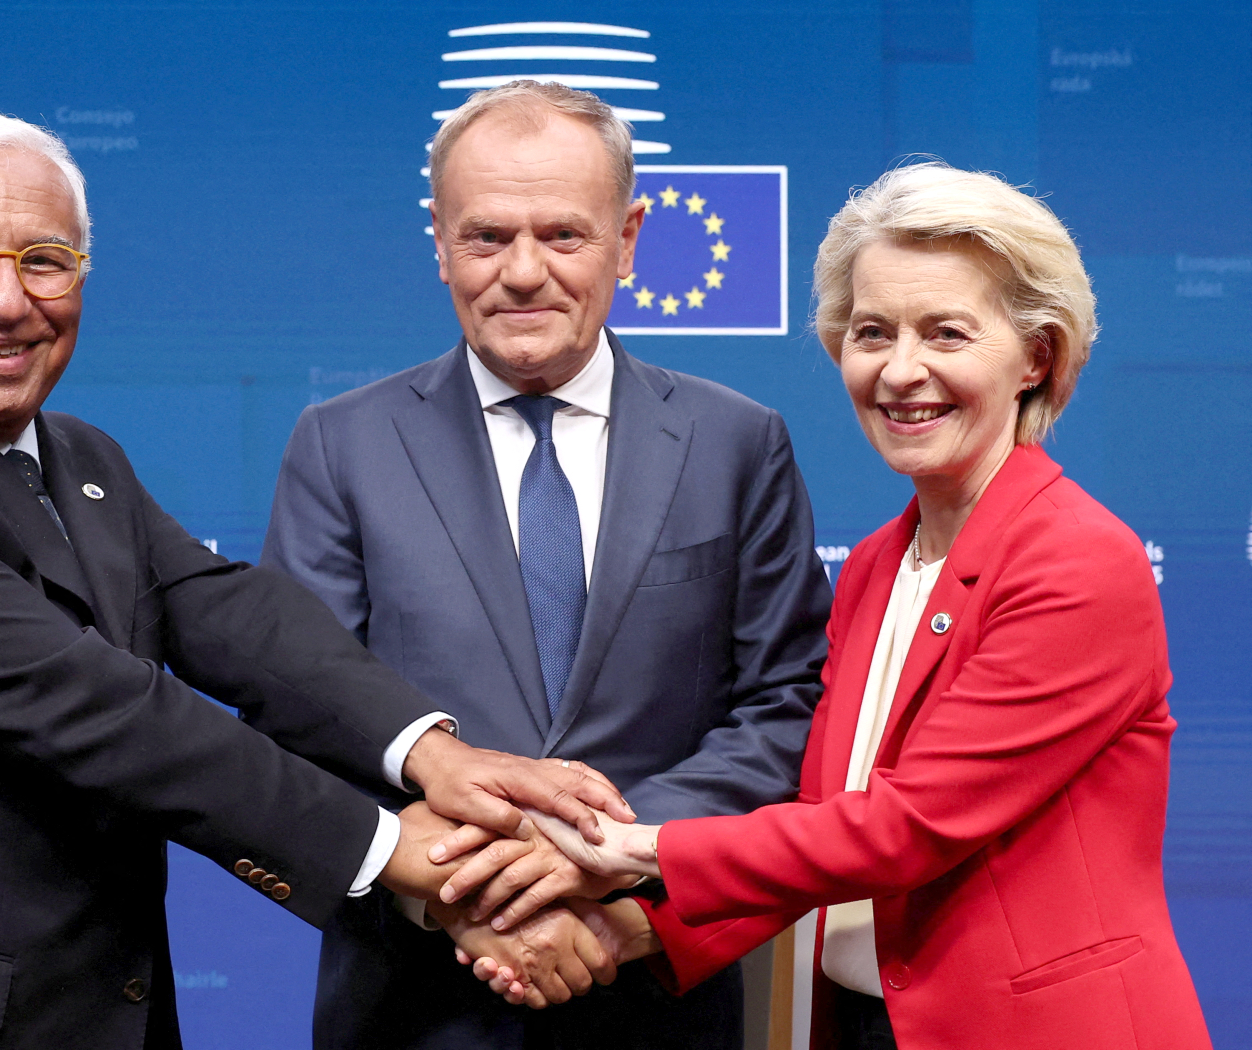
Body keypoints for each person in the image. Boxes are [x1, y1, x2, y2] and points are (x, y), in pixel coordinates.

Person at [0, 114, 633, 1050]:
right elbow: (106, 713)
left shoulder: (80, 458)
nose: (6, 299)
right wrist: (399, 851)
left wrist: (434, 756)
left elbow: (227, 615)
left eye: (45, 261)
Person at [462, 162, 1214, 1050]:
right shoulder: (873, 565)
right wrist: (625, 932)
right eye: (871, 332)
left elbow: (906, 828)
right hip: (869, 1022)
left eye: (945, 333)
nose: (900, 371)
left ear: (1035, 358)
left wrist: (634, 851)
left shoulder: (1076, 560)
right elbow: (824, 813)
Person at [261, 81, 831, 1049]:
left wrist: (608, 855)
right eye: (486, 237)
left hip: (654, 1002)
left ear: (629, 239)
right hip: (412, 1009)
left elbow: (787, 705)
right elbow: (296, 714)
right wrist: (452, 893)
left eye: (563, 235)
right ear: (439, 241)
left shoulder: (737, 443)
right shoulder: (340, 446)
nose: (523, 273)